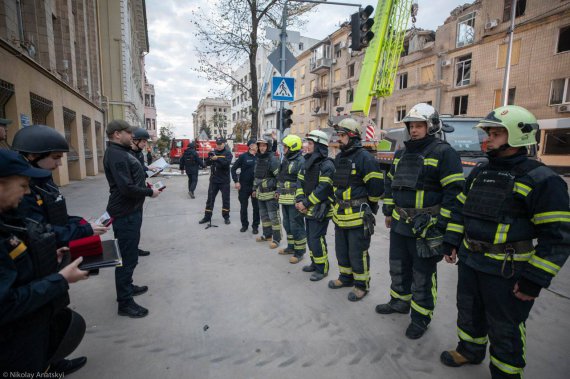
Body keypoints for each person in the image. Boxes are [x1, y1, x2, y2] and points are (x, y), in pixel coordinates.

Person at [439, 105, 570, 378]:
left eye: (496, 134)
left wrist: (535, 279)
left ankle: (506, 373)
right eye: (488, 133)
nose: (487, 139)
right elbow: (461, 210)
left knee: (504, 327)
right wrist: (451, 240)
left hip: (506, 272)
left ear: (517, 137)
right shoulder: (480, 172)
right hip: (472, 262)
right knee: (469, 312)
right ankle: (470, 351)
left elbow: (558, 238)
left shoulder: (542, 180)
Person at [376, 103, 465, 339]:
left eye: (419, 126)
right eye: (411, 126)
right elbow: (390, 183)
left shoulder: (444, 153)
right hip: (399, 225)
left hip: (427, 228)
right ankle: (399, 302)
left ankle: (421, 317)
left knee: (422, 275)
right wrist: (388, 210)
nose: (413, 130)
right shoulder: (401, 154)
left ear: (431, 126)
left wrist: (443, 228)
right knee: (398, 267)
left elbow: (454, 195)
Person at [0, 149, 89, 375]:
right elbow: (6, 304)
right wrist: (60, 280)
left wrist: (45, 258)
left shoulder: (7, 220)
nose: (27, 192)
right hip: (13, 343)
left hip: (28, 330)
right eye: (22, 185)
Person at [11, 125, 108, 246]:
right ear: (32, 156)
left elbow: (57, 216)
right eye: (55, 157)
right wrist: (83, 230)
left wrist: (81, 223)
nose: (60, 163)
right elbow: (37, 230)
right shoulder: (20, 191)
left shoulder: (46, 181)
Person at [103, 120, 161, 318]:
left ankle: (127, 287)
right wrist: (149, 192)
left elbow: (130, 179)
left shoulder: (123, 152)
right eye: (129, 133)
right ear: (117, 134)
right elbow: (126, 188)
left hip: (131, 210)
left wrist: (143, 183)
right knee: (127, 259)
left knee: (130, 256)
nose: (132, 136)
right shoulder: (117, 155)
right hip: (125, 213)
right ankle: (125, 303)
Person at [329, 118, 384, 301]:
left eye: (343, 135)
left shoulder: (365, 158)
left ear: (352, 136)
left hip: (358, 216)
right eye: (339, 135)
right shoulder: (339, 158)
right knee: (341, 250)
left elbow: (376, 188)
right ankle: (345, 277)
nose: (339, 138)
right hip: (340, 216)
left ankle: (361, 285)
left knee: (357, 252)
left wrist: (371, 208)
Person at [295, 130, 335, 281]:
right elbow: (299, 182)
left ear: (319, 146)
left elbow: (323, 189)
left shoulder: (327, 165)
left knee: (317, 239)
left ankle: (322, 268)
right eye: (307, 143)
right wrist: (299, 200)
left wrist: (305, 203)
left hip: (320, 210)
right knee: (311, 239)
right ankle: (314, 263)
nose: (307, 145)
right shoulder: (307, 162)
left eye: (310, 143)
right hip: (308, 209)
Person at [276, 134, 306, 263]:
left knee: (296, 225)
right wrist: (278, 190)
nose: (283, 149)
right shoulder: (286, 159)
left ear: (292, 147)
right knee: (287, 224)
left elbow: (303, 182)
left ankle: (299, 252)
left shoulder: (301, 161)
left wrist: (301, 200)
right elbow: (281, 177)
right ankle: (291, 247)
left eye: (285, 146)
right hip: (284, 198)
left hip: (295, 199)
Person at [252, 136, 281, 249]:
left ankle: (277, 239)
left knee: (274, 217)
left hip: (271, 193)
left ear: (268, 146)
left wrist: (278, 190)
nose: (261, 148)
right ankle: (267, 235)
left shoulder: (273, 159)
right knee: (264, 217)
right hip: (260, 193)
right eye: (260, 146)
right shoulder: (259, 158)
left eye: (264, 145)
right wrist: (254, 189)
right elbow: (256, 175)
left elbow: (279, 177)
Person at [129, 127, 153, 257]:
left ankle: (135, 248)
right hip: (132, 196)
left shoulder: (139, 153)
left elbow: (140, 169)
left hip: (139, 195)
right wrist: (149, 191)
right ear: (135, 140)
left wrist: (149, 169)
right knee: (131, 226)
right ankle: (130, 250)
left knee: (137, 225)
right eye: (143, 141)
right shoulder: (128, 154)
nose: (145, 144)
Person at [199, 137, 233, 225]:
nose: (218, 146)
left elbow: (226, 164)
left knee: (225, 200)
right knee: (210, 199)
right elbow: (207, 163)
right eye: (217, 144)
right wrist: (208, 160)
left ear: (224, 144)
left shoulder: (228, 153)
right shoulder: (213, 152)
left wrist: (217, 158)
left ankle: (226, 217)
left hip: (224, 181)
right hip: (214, 180)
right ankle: (207, 217)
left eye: (220, 144)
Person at [231, 139, 260, 234]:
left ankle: (255, 226)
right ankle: (244, 225)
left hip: (256, 187)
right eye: (256, 145)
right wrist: (236, 181)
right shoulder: (243, 157)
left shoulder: (260, 157)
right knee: (243, 207)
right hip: (244, 186)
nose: (258, 146)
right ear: (251, 146)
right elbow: (233, 169)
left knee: (256, 208)